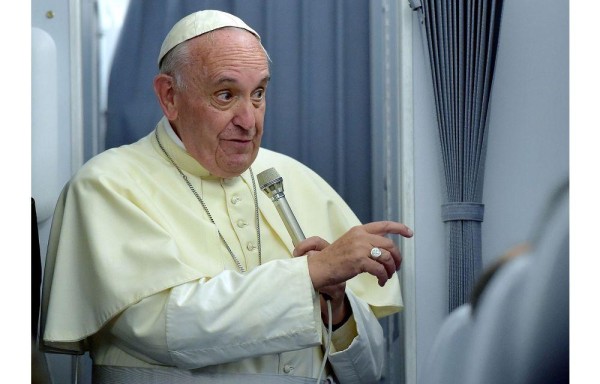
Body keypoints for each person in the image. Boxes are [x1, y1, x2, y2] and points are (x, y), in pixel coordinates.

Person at [40, 9, 413, 384]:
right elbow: (163, 328)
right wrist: (311, 273)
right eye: (225, 94)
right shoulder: (108, 184)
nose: (249, 121)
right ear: (170, 97)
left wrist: (337, 304)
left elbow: (367, 372)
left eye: (258, 94)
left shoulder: (298, 179)